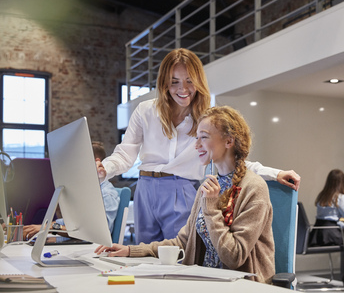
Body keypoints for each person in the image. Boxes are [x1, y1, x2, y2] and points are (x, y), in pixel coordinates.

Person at [97, 48, 300, 245]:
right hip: (144, 189)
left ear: (198, 83)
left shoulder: (206, 119)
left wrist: (275, 174)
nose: (182, 89)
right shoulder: (145, 111)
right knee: (146, 254)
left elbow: (230, 159)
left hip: (182, 189)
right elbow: (125, 153)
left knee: (179, 256)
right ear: (165, 83)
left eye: (189, 81)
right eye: (174, 82)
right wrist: (105, 169)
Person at [96, 106, 276, 283]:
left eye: (203, 137)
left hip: (242, 285)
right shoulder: (208, 186)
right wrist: (130, 250)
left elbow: (234, 257)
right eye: (196, 138)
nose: (196, 145)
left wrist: (211, 210)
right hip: (205, 282)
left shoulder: (253, 188)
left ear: (229, 142)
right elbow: (183, 242)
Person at [23, 141, 120, 240]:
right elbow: (73, 224)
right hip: (76, 241)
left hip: (89, 247)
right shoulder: (87, 191)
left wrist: (51, 228)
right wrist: (40, 227)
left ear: (96, 161)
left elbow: (97, 234)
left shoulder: (106, 194)